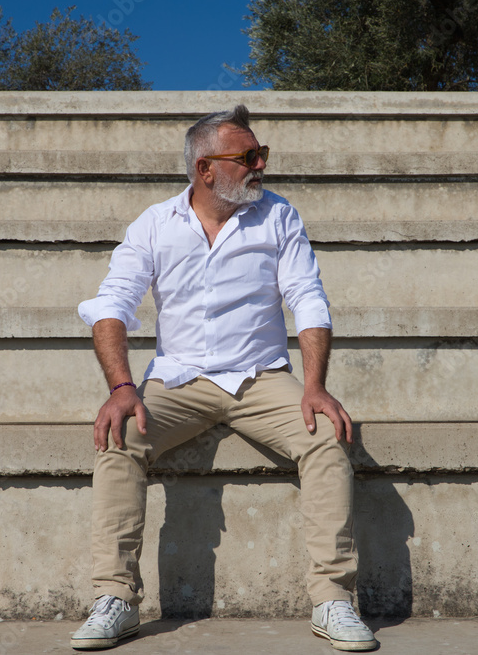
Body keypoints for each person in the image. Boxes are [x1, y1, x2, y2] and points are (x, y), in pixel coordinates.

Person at [71, 105, 377, 652]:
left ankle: (333, 597)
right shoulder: (155, 224)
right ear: (206, 168)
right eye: (249, 158)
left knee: (328, 436)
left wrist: (314, 385)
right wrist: (121, 389)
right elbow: (112, 304)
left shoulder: (279, 216)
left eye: (263, 155)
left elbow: (306, 297)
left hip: (262, 378)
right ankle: (115, 598)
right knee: (120, 437)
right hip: (178, 381)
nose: (261, 166)